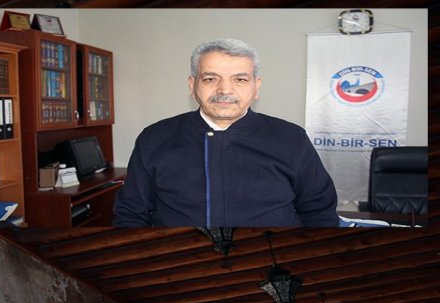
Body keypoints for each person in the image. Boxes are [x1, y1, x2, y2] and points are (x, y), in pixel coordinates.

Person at [113, 39, 337, 227]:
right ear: (192, 86)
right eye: (210, 79)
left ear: (256, 86)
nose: (225, 90)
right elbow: (130, 216)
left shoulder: (291, 138)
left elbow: (319, 214)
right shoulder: (154, 138)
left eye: (240, 79)